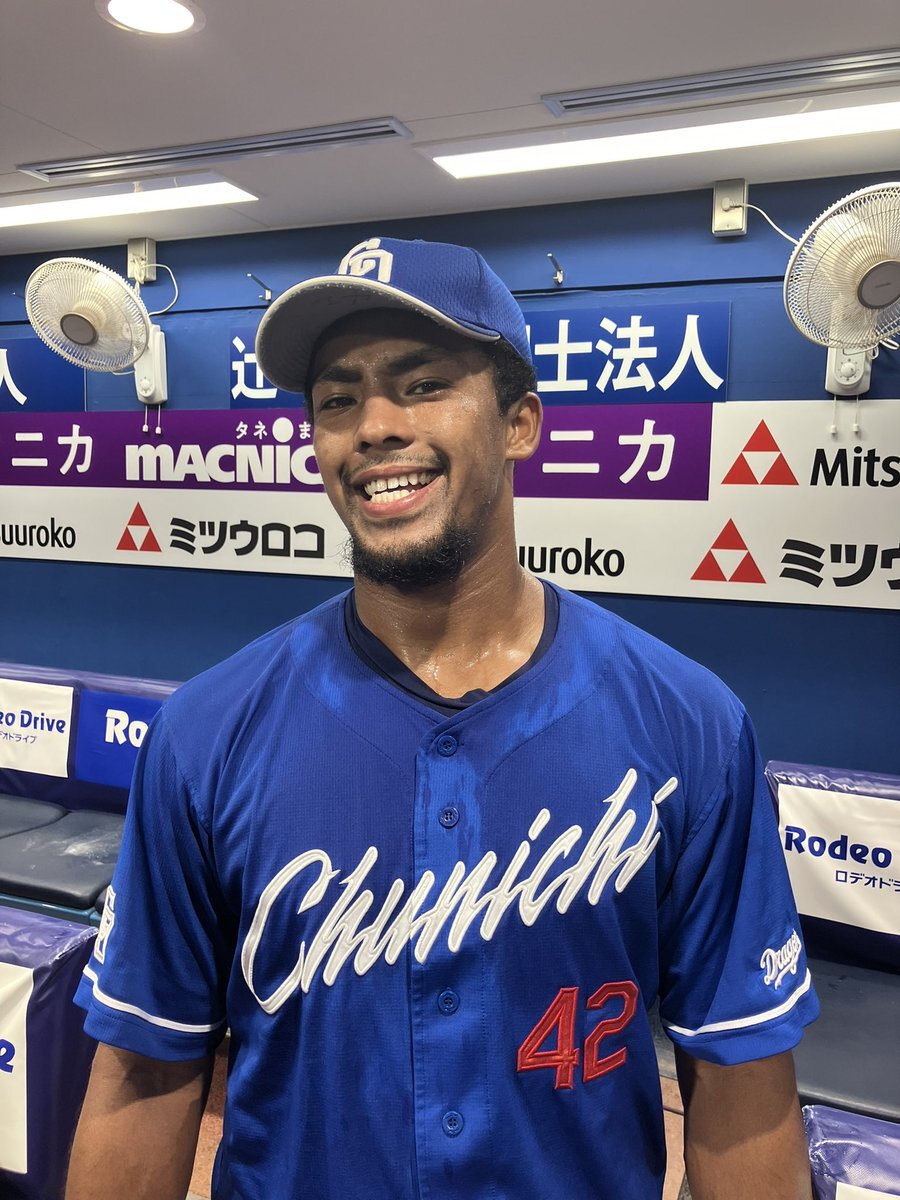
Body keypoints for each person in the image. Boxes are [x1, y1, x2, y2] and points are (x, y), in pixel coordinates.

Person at [66, 236, 818, 1200]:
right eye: (337, 400)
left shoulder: (688, 723)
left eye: (422, 385)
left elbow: (742, 1077)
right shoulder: (206, 732)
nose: (375, 427)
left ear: (519, 424)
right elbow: (145, 1069)